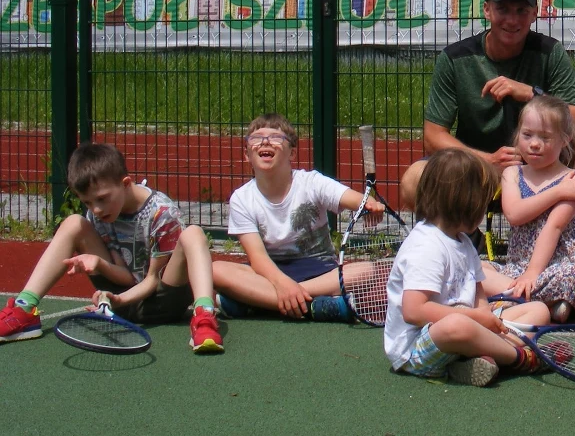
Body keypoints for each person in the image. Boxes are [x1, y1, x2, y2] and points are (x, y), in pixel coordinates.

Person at [400, 0, 575, 213]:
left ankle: (560, 229)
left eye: (521, 10)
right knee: (413, 180)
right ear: (487, 10)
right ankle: (463, 236)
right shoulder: (455, 59)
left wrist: (532, 94)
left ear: (534, 14)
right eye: (503, 9)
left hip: (541, 165)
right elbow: (433, 136)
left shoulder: (549, 52)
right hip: (477, 167)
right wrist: (487, 160)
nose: (512, 20)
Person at [0, 142, 224, 353]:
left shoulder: (162, 213)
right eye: (88, 202)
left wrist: (120, 299)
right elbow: (127, 278)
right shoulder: (100, 214)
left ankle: (204, 317)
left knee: (193, 233)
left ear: (125, 183)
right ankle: (25, 308)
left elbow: (152, 280)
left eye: (102, 199)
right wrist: (102, 268)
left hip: (162, 301)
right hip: (121, 300)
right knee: (73, 223)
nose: (96, 209)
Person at [384, 149, 559, 386]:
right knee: (458, 326)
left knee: (538, 310)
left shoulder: (463, 242)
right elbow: (414, 312)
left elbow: (477, 292)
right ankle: (521, 357)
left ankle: (479, 359)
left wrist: (485, 317)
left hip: (466, 326)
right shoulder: (426, 246)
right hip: (417, 348)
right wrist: (475, 318)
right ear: (467, 204)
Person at [212, 114, 381, 322]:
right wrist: (282, 284)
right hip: (269, 275)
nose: (265, 141)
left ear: (292, 153)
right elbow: (259, 259)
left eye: (275, 137)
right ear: (247, 154)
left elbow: (354, 198)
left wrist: (369, 204)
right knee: (215, 269)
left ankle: (256, 303)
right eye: (257, 138)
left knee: (367, 270)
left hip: (320, 272)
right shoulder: (241, 198)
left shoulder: (311, 182)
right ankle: (313, 306)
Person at [481, 96, 575, 322]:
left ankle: (516, 298)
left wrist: (533, 273)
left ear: (565, 140)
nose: (534, 144)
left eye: (545, 137)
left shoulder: (572, 179)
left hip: (557, 265)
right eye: (527, 135)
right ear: (518, 135)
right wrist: (556, 192)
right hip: (518, 267)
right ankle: (535, 301)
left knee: (571, 277)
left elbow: (554, 227)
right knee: (475, 269)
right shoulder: (512, 174)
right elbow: (515, 214)